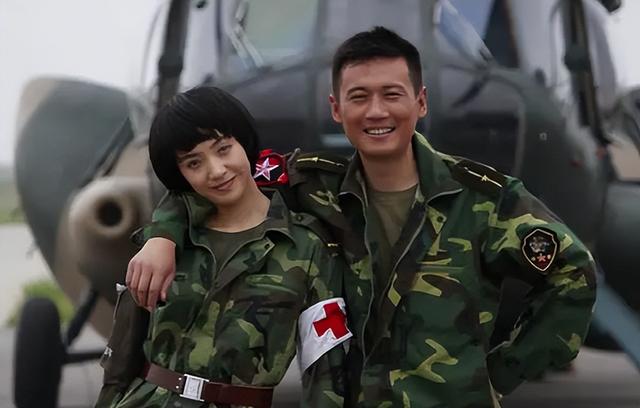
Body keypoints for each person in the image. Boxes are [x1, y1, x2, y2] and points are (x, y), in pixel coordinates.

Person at [127, 27, 596, 407]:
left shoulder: (482, 199)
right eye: (358, 97)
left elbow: (573, 272)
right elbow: (217, 180)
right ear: (336, 108)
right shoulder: (311, 183)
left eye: (392, 94)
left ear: (420, 102)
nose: (376, 112)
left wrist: (500, 372)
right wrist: (161, 237)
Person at [96, 86, 352, 407]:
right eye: (193, 163)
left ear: (243, 143)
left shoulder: (306, 246)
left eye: (223, 149)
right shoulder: (168, 241)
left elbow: (326, 370)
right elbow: (122, 356)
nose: (216, 170)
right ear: (180, 174)